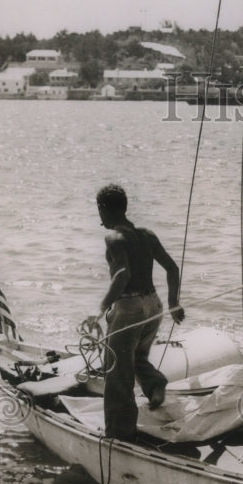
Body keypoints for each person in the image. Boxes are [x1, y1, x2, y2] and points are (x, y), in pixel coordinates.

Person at [84, 184, 185, 441]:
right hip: (154, 305)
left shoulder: (114, 239)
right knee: (135, 356)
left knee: (116, 371)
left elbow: (122, 274)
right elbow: (172, 268)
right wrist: (173, 304)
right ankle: (154, 384)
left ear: (103, 209)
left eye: (99, 210)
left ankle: (120, 434)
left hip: (129, 308)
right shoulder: (147, 234)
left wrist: (101, 309)